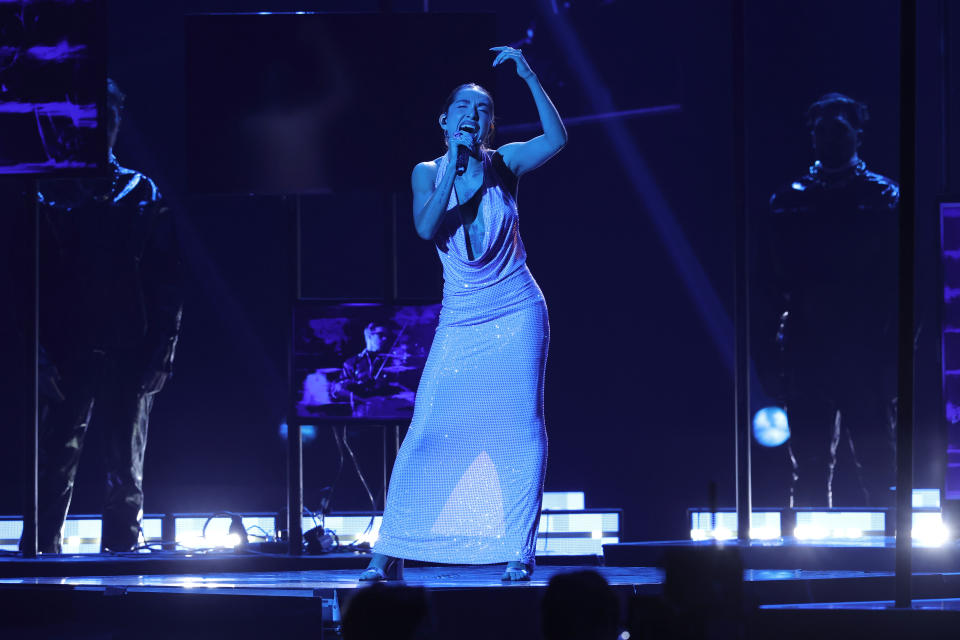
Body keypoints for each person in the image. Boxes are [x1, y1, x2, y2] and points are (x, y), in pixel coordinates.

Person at [359, 45, 567, 582]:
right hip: (462, 318)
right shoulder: (426, 172)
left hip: (518, 311)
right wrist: (454, 162)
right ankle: (388, 552)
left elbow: (558, 139)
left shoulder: (507, 164)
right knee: (426, 428)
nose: (472, 117)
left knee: (522, 430)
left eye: (482, 111)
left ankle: (518, 551)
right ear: (444, 121)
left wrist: (527, 74)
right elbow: (428, 228)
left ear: (491, 125)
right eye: (463, 110)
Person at [19, 78, 183, 553]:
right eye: (97, 120)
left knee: (124, 472)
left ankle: (122, 566)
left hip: (128, 346)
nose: (104, 130)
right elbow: (26, 281)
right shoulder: (46, 192)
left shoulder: (141, 190)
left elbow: (167, 278)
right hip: (67, 348)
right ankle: (40, 562)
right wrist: (36, 353)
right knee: (53, 465)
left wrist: (163, 351)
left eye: (110, 120)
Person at [764, 92, 898, 508]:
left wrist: (895, 352)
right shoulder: (789, 201)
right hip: (807, 345)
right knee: (809, 461)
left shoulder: (884, 198)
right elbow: (767, 280)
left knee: (877, 461)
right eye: (821, 132)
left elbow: (905, 279)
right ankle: (807, 562)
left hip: (865, 346)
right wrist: (770, 352)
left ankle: (893, 559)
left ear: (858, 133)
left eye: (838, 130)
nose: (829, 140)